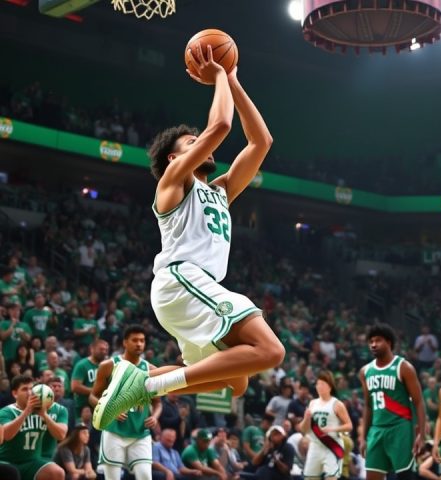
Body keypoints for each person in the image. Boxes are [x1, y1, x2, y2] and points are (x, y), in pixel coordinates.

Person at [92, 42, 284, 431]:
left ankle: (143, 379)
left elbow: (261, 142)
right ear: (173, 158)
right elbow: (222, 126)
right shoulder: (173, 182)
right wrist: (218, 76)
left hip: (192, 287)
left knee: (237, 381)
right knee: (270, 350)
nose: (201, 143)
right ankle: (148, 385)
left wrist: (233, 79)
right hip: (182, 279)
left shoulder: (220, 190)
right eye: (191, 142)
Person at [89, 326, 162, 480]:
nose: (139, 344)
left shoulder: (150, 369)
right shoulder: (108, 365)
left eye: (142, 341)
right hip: (113, 430)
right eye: (135, 340)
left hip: (140, 432)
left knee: (145, 475)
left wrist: (155, 416)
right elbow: (92, 396)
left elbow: (158, 403)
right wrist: (110, 409)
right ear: (124, 342)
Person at [358, 323, 427, 480]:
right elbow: (368, 406)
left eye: (378, 340)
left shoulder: (404, 367)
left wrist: (421, 435)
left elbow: (419, 402)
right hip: (376, 430)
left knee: (405, 476)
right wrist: (363, 437)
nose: (373, 345)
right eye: (371, 341)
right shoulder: (365, 371)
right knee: (372, 476)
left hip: (400, 429)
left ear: (389, 342)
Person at [0, 374, 66, 480]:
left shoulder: (42, 410)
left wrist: (44, 415)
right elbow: (7, 435)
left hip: (32, 462)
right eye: (24, 389)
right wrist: (26, 412)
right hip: (7, 461)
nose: (29, 392)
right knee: (11, 472)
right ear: (15, 393)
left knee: (57, 473)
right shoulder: (6, 412)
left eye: (31, 389)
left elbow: (61, 435)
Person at [297, 370, 353, 480]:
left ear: (330, 386)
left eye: (322, 384)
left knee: (331, 477)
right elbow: (303, 429)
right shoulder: (312, 403)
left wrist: (332, 429)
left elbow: (349, 426)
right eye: (318, 384)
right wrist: (306, 418)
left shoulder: (337, 404)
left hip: (332, 445)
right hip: (315, 445)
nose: (319, 386)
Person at [71, 339, 108, 419]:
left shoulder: (107, 366)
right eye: (101, 349)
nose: (104, 352)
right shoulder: (82, 365)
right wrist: (95, 391)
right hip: (83, 407)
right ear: (92, 349)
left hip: (101, 407)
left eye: (106, 350)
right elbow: (75, 387)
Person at [40, 377, 70, 463]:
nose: (57, 389)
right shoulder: (36, 405)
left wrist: (59, 446)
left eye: (59, 386)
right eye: (53, 386)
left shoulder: (67, 406)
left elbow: (70, 432)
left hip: (60, 446)